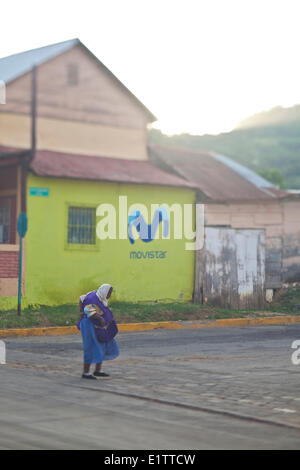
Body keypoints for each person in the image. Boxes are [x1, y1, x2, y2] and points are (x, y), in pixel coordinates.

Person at [77, 284, 119, 380]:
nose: (110, 295)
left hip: (97, 326)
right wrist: (99, 318)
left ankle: (97, 370)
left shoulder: (100, 297)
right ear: (104, 291)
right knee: (90, 347)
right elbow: (88, 309)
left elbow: (82, 298)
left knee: (102, 345)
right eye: (109, 293)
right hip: (89, 326)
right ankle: (86, 373)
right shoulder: (93, 298)